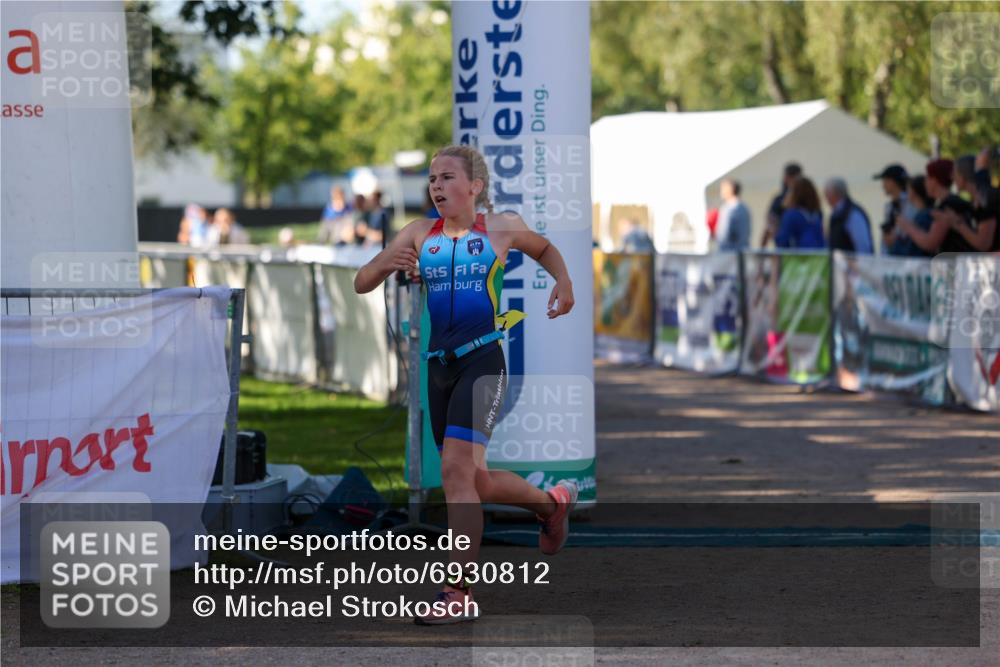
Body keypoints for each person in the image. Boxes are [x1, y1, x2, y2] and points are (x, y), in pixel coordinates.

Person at [354, 144, 578, 625]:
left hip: (483, 362)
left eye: (447, 177)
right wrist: (387, 263)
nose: (436, 185)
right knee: (473, 480)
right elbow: (362, 281)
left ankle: (458, 594)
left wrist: (564, 282)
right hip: (439, 369)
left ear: (475, 186)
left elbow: (544, 248)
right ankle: (551, 504)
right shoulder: (418, 234)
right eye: (432, 178)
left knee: (456, 472)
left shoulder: (500, 227)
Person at [895, 158, 956, 255]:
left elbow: (930, 244)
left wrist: (907, 226)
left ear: (934, 180)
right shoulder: (946, 204)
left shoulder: (947, 206)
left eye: (928, 177)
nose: (926, 182)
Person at [953, 154, 998, 252]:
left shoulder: (984, 202)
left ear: (962, 177)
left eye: (955, 174)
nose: (953, 179)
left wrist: (957, 223)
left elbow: (983, 243)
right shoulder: (978, 200)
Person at [824, 178, 873, 254]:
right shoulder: (836, 213)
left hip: (853, 264)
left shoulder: (853, 213)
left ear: (834, 193)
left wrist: (860, 264)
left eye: (826, 193)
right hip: (841, 264)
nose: (825, 197)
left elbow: (863, 246)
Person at [873, 164, 915, 253]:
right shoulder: (889, 206)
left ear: (892, 181)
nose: (883, 185)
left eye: (885, 180)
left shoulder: (912, 203)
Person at [888, 176, 934, 257]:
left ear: (914, 192)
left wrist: (906, 227)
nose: (906, 192)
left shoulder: (924, 216)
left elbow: (915, 249)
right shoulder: (925, 213)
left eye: (908, 189)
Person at [775, 176, 825, 249]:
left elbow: (782, 242)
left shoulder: (791, 215)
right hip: (818, 258)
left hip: (798, 258)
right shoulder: (816, 214)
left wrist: (774, 232)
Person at [762, 162, 802, 246]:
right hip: (786, 248)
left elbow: (769, 227)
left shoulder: (804, 201)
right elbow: (770, 225)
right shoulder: (779, 200)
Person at [716, 178, 751, 252]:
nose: (721, 191)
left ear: (730, 190)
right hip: (742, 253)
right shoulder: (744, 207)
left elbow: (724, 235)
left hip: (730, 254)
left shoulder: (730, 208)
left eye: (723, 189)